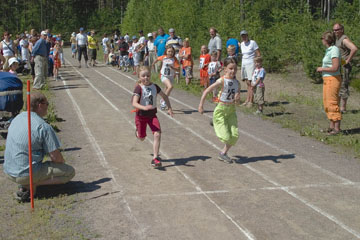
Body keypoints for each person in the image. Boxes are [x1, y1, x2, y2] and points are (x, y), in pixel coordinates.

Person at [3, 92, 75, 202]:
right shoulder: (43, 126)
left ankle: (26, 183)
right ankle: (30, 184)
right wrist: (61, 162)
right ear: (40, 105)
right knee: (69, 172)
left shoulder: (17, 118)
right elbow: (56, 158)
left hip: (9, 171)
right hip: (25, 173)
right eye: (47, 103)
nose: (48, 106)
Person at [198, 57, 240, 163]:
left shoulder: (237, 83)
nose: (233, 71)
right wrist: (201, 105)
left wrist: (237, 99)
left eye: (235, 69)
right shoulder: (222, 80)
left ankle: (223, 153)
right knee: (225, 136)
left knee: (234, 135)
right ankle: (215, 121)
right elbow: (207, 91)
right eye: (230, 68)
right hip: (221, 109)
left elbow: (236, 97)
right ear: (225, 69)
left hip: (231, 111)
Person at [132, 66, 173, 168]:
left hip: (152, 115)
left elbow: (164, 96)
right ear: (139, 76)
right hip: (141, 116)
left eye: (148, 75)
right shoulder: (139, 88)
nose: (146, 78)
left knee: (157, 134)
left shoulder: (155, 87)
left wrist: (169, 107)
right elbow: (134, 103)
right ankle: (138, 133)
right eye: (143, 76)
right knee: (142, 138)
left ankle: (155, 158)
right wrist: (144, 107)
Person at [316, 31, 342, 136]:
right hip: (327, 79)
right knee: (327, 102)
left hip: (333, 79)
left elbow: (335, 67)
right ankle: (331, 126)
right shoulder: (329, 50)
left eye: (322, 38)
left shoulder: (334, 50)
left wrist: (322, 68)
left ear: (326, 39)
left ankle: (337, 128)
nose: (321, 40)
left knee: (332, 102)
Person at [333, 23, 358, 113]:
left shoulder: (344, 39)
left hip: (344, 66)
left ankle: (343, 108)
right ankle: (338, 106)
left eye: (337, 29)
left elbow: (354, 48)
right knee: (339, 85)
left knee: (343, 85)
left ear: (342, 30)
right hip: (339, 65)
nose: (335, 31)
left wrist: (347, 60)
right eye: (334, 30)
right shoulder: (337, 39)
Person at [152, 45, 180, 110]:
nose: (170, 53)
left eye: (172, 52)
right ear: (166, 52)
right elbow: (157, 59)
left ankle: (163, 99)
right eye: (169, 51)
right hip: (163, 75)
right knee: (170, 87)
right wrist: (153, 64)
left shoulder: (174, 59)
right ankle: (163, 101)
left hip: (171, 76)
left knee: (167, 90)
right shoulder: (163, 57)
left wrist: (173, 68)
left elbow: (178, 69)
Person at [240, 30, 260, 107]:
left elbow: (258, 53)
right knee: (247, 82)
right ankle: (247, 100)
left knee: (251, 82)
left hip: (251, 64)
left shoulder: (252, 43)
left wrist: (257, 64)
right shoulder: (241, 44)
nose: (244, 37)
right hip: (244, 64)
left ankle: (251, 101)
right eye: (242, 36)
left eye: (245, 35)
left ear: (247, 35)